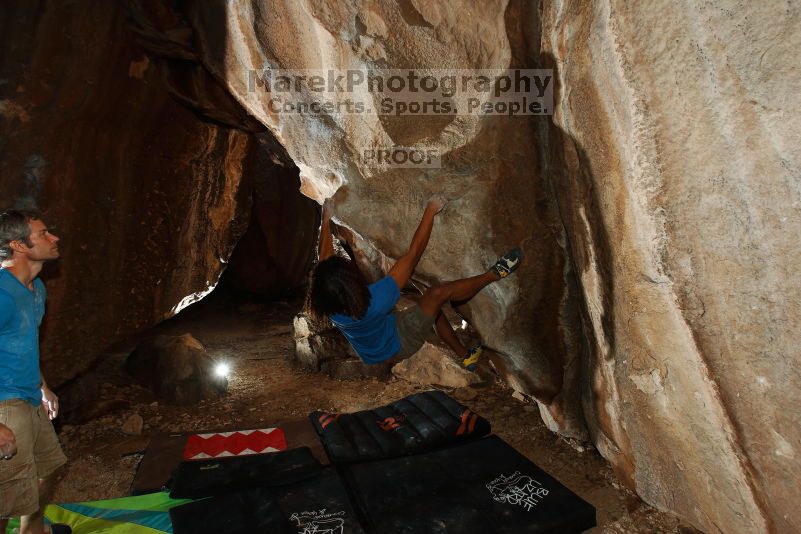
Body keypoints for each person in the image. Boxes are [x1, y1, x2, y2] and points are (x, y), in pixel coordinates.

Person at [306, 195, 522, 370]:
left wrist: (325, 220)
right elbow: (413, 255)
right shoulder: (376, 300)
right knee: (436, 295)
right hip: (399, 343)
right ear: (350, 283)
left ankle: (466, 356)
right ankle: (494, 274)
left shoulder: (328, 301)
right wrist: (431, 209)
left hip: (373, 346)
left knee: (429, 308)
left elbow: (324, 259)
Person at [0, 210, 70, 534]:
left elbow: (24, 344)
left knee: (52, 466)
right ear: (18, 245)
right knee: (6, 496)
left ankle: (32, 530)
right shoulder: (2, 294)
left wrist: (43, 386)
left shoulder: (37, 288)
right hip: (5, 404)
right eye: (43, 234)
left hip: (29, 396)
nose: (54, 238)